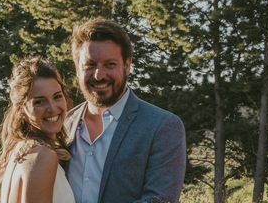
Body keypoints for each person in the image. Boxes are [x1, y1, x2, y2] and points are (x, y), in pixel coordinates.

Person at [64, 17, 186, 203]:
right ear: (77, 69)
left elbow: (160, 199)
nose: (99, 74)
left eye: (109, 65)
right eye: (90, 65)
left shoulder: (162, 126)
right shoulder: (63, 125)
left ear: (127, 66)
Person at [0, 57, 76, 203]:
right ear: (22, 109)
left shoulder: (20, 151)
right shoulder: (42, 156)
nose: (52, 108)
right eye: (39, 102)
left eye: (57, 97)